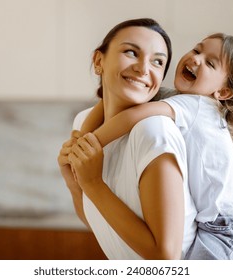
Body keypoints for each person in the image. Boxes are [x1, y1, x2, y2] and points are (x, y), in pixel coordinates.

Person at [79, 33, 233, 259]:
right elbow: (108, 102)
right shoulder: (181, 99)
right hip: (219, 222)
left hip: (224, 229)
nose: (197, 59)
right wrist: (79, 140)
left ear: (223, 92)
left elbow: (134, 115)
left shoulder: (195, 105)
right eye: (197, 50)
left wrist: (87, 144)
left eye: (210, 63)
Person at [58, 18, 197, 259]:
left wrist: (93, 184)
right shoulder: (84, 123)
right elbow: (102, 225)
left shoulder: (154, 131)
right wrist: (74, 183)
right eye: (131, 52)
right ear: (98, 61)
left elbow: (166, 259)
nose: (144, 69)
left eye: (157, 61)